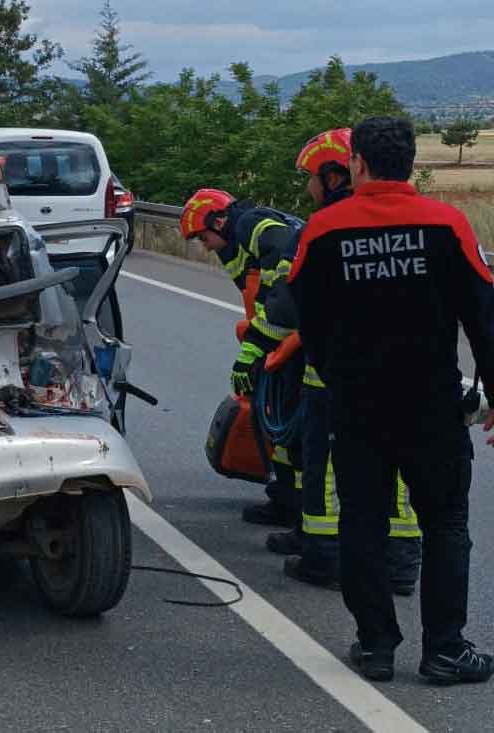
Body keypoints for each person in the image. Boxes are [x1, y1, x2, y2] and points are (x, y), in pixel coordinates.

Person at [290, 116, 494, 684]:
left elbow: (308, 318)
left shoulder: (324, 229)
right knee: (447, 524)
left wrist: (334, 373)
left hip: (356, 406)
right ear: (410, 163)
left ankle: (376, 647)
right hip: (431, 405)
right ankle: (446, 651)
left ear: (356, 163)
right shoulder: (447, 223)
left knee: (362, 521)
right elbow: (484, 314)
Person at [272, 128, 422, 594]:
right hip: (408, 373)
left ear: (339, 172)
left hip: (335, 375)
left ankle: (323, 556)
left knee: (326, 467)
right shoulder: (424, 221)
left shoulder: (325, 227)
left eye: (312, 179)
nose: (308, 189)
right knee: (399, 468)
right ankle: (400, 563)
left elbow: (292, 305)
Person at [181, 188, 302, 527]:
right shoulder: (234, 244)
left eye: (204, 237)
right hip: (280, 338)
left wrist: (254, 347)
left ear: (219, 221)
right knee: (278, 416)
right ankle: (287, 497)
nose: (204, 246)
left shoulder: (253, 224)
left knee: (293, 422)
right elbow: (259, 296)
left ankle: (298, 504)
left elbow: (285, 285)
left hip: (295, 335)